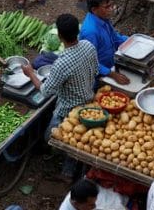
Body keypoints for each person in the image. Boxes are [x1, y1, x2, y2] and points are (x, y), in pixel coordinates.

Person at [22, 14, 98, 180]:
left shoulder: (62, 63)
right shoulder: (88, 46)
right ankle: (69, 170)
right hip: (89, 100)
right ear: (77, 32)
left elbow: (45, 91)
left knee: (51, 137)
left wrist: (30, 74)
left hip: (68, 110)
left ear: (60, 36)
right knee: (74, 138)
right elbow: (96, 70)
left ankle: (66, 172)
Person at [79, 0, 129, 85]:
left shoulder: (103, 18)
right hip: (98, 77)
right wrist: (112, 74)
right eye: (107, 7)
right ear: (94, 9)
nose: (111, 9)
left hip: (111, 65)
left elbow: (115, 38)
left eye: (111, 5)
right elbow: (90, 63)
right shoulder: (90, 32)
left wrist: (132, 41)